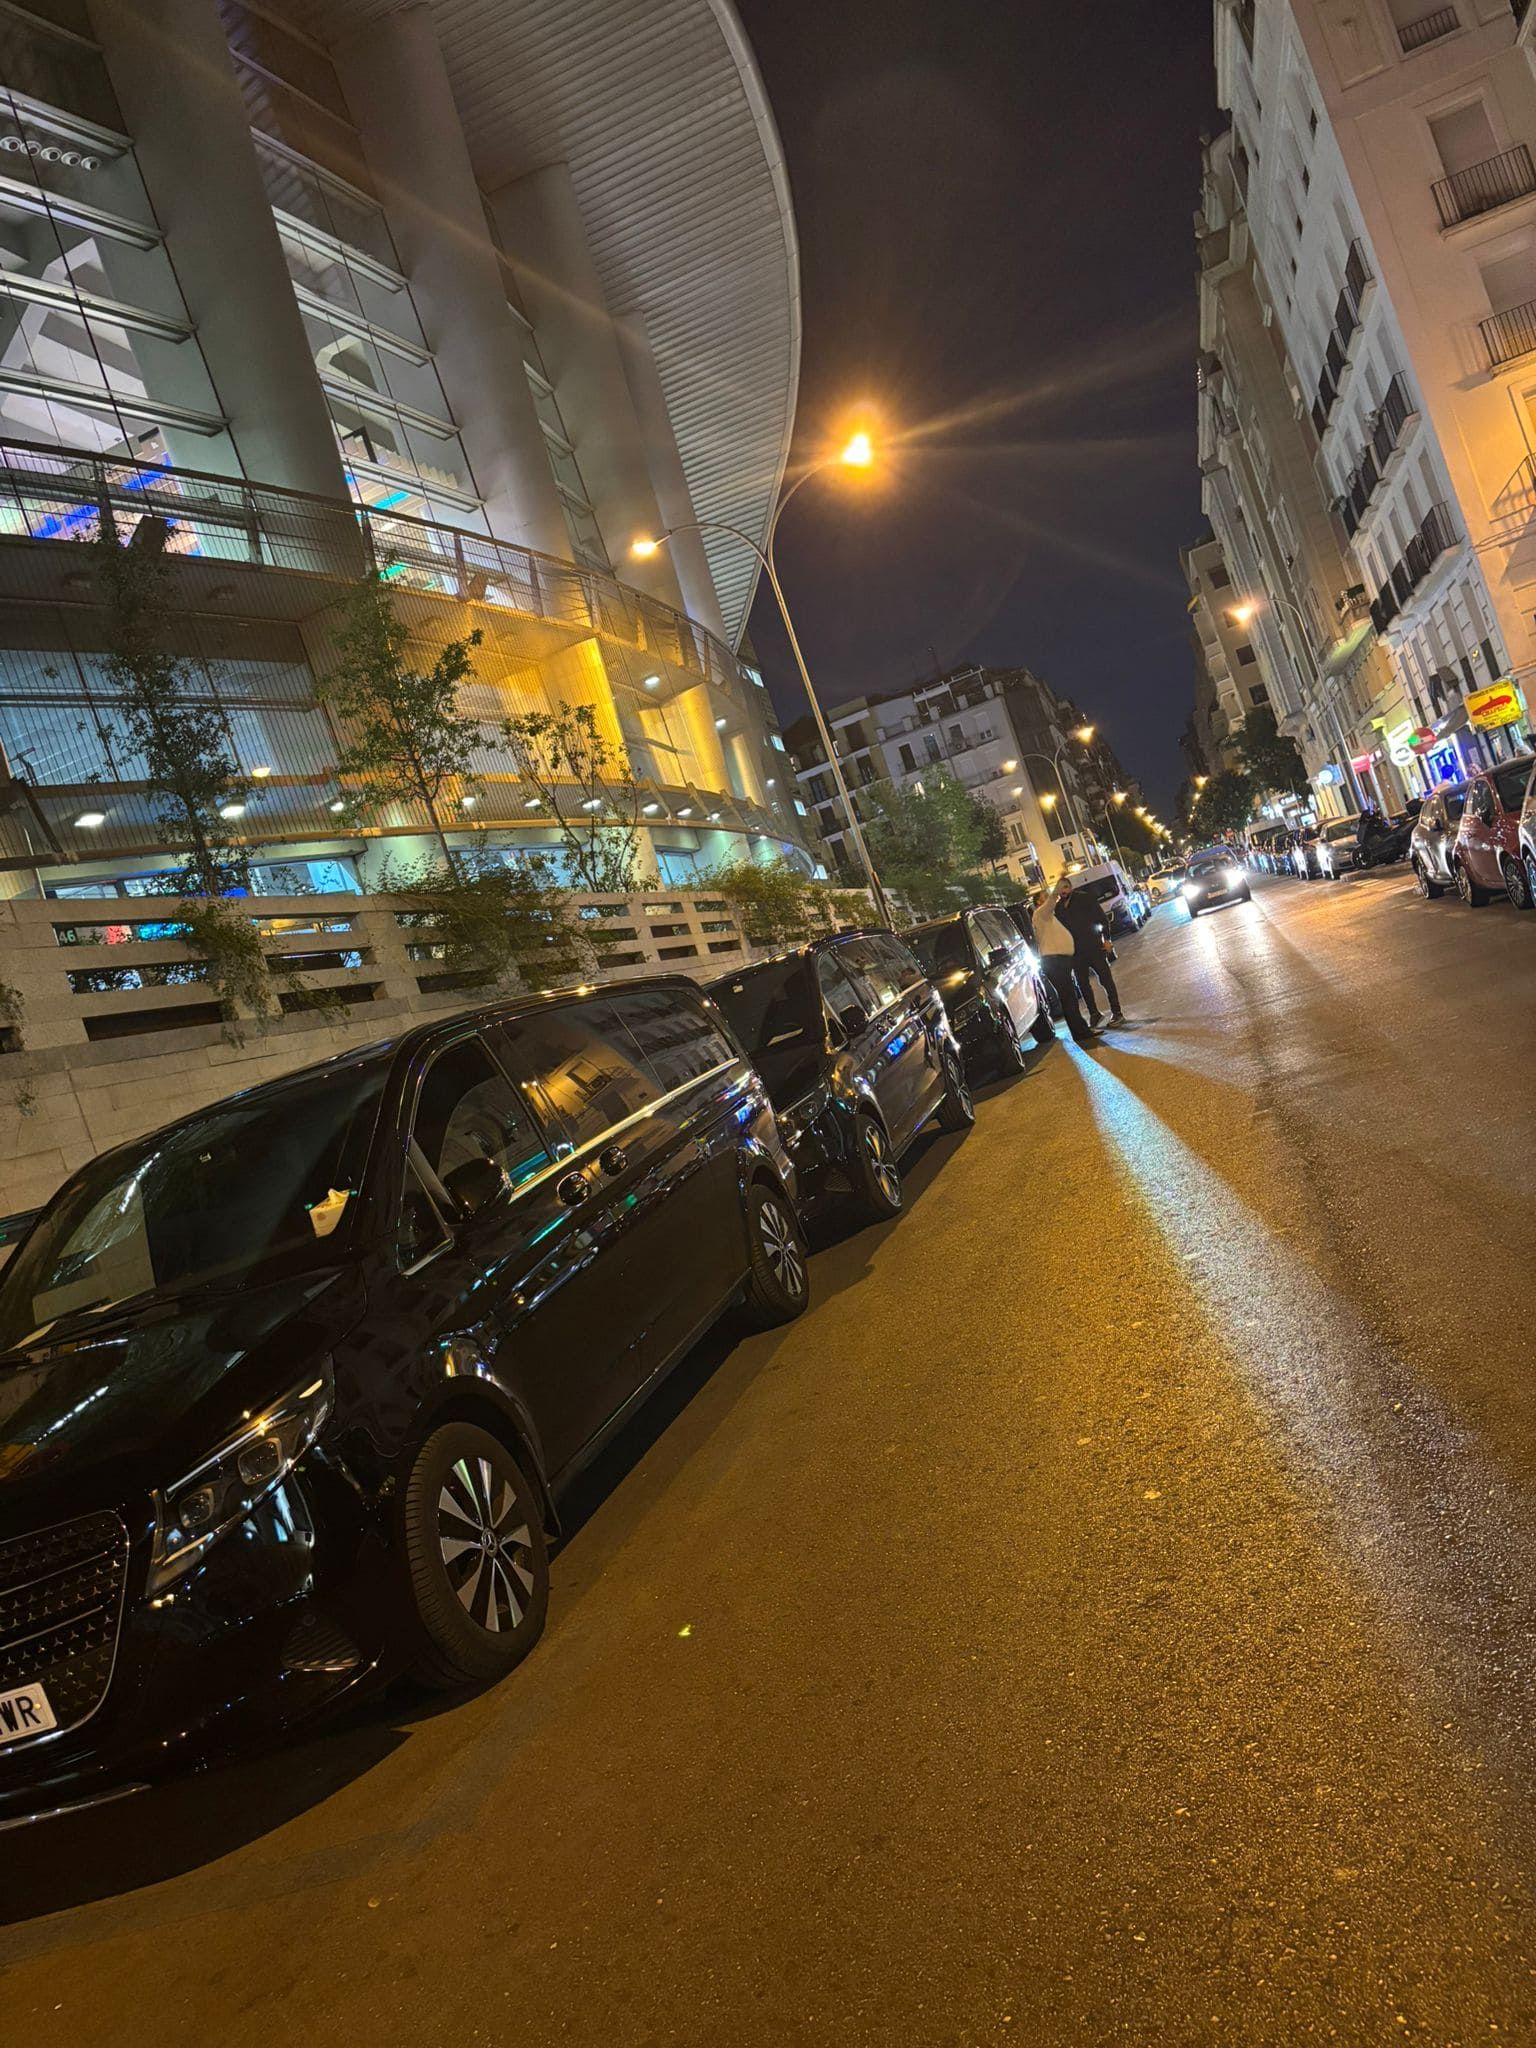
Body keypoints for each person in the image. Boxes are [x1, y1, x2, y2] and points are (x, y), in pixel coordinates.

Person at [1054, 878, 1124, 1027]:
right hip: (1075, 953)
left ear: (1070, 887)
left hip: (1094, 947)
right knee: (1083, 984)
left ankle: (1117, 1012)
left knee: (1105, 979)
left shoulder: (1084, 898)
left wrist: (1106, 939)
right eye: (1061, 889)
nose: (1064, 891)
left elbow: (1102, 919)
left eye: (1066, 887)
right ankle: (1094, 1014)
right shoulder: (1058, 909)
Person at [1033, 886, 1097, 1046]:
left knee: (1070, 998)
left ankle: (1081, 1030)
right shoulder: (1040, 914)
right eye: (1044, 897)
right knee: (1068, 998)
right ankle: (1081, 1032)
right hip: (1054, 962)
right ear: (1039, 902)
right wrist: (1058, 887)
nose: (1048, 898)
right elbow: (1050, 902)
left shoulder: (1048, 918)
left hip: (1058, 961)